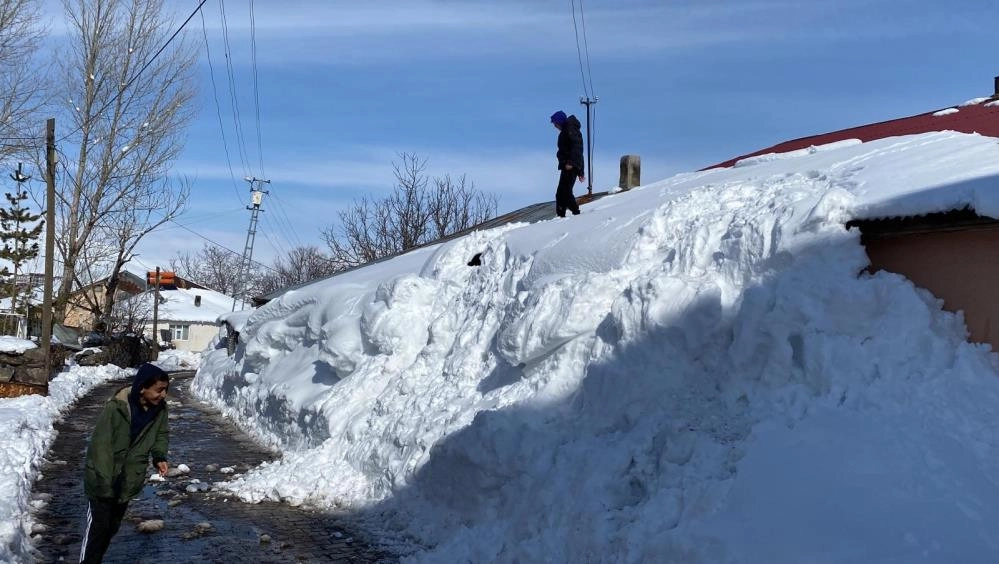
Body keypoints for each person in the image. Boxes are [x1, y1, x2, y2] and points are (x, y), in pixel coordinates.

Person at [79, 363, 170, 563]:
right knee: (97, 530)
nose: (163, 395)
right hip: (103, 478)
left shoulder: (160, 410)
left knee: (111, 528)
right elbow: (100, 447)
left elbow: (161, 434)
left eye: (165, 390)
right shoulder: (116, 408)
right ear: (142, 388)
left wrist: (159, 456)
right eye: (159, 390)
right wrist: (104, 483)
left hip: (128, 478)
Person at [550, 110, 585, 217]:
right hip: (568, 165)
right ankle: (561, 215)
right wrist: (580, 171)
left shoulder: (570, 129)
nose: (555, 126)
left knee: (565, 191)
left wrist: (572, 163)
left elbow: (577, 148)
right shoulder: (566, 130)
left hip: (570, 165)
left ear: (560, 121)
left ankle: (575, 212)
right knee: (561, 193)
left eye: (555, 123)